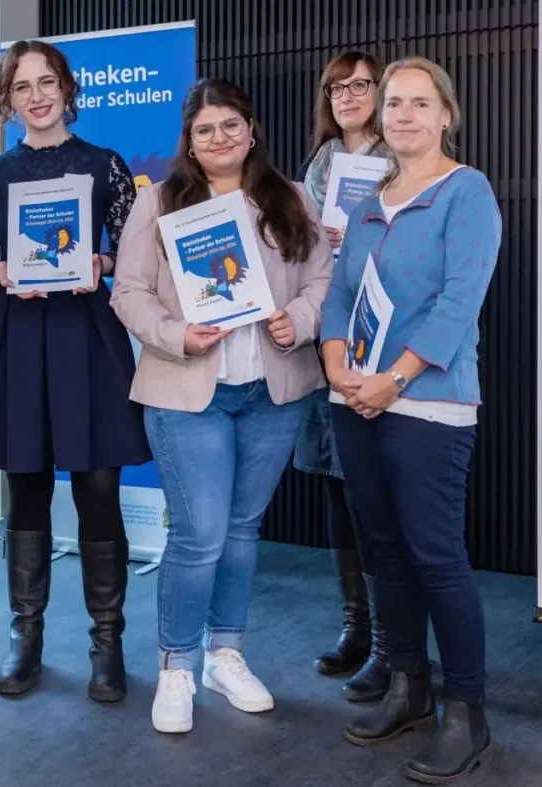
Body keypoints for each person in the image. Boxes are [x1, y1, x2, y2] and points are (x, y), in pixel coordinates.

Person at [110, 77, 333, 734]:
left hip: (273, 389)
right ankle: (176, 665)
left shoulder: (290, 198)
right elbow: (128, 291)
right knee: (199, 534)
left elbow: (325, 277)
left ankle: (224, 653)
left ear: (252, 128)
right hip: (188, 392)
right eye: (205, 129)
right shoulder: (157, 206)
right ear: (190, 139)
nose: (219, 138)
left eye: (230, 124)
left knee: (240, 531)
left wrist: (301, 317)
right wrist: (177, 332)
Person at [0, 39, 151, 703]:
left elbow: (135, 255)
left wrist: (101, 262)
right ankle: (25, 636)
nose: (36, 96)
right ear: (7, 100)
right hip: (17, 335)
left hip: (87, 336)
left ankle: (107, 641)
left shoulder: (106, 167)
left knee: (98, 485)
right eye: (21, 87)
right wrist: (1, 270)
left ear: (68, 90)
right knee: (27, 485)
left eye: (46, 83)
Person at [321, 57, 500, 783]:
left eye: (419, 104)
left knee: (435, 555)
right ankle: (409, 685)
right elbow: (338, 293)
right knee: (384, 551)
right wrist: (337, 369)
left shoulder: (469, 192)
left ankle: (468, 710)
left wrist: (392, 380)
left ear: (446, 115)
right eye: (394, 103)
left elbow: (460, 303)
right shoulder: (369, 199)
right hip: (354, 398)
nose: (402, 115)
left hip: (426, 400)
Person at [293, 50, 392, 703]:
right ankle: (357, 625)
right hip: (327, 339)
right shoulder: (316, 170)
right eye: (339, 86)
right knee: (337, 491)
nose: (349, 94)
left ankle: (392, 641)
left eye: (362, 84)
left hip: (384, 340)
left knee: (379, 497)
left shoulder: (401, 156)